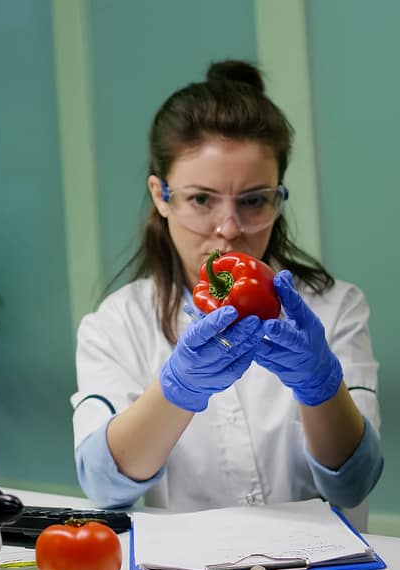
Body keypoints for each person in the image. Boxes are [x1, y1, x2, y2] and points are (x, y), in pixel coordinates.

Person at [71, 60, 383, 512]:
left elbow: (353, 484)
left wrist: (321, 386)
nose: (230, 229)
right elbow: (104, 487)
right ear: (161, 196)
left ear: (278, 197)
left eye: (254, 200)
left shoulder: (335, 307)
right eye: (201, 199)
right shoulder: (115, 325)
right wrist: (177, 390)